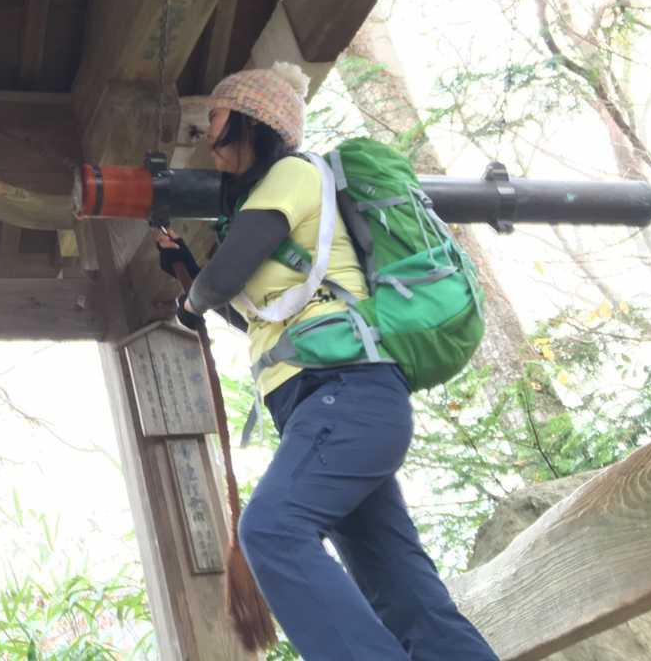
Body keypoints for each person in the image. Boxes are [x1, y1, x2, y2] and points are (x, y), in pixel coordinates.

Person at [157, 61, 497, 661]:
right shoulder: (268, 205)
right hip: (338, 408)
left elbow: (222, 280)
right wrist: (188, 271)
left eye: (215, 117)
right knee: (405, 596)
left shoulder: (290, 175)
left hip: (345, 397)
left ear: (251, 119)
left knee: (272, 529)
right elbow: (251, 315)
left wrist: (195, 294)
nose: (208, 134)